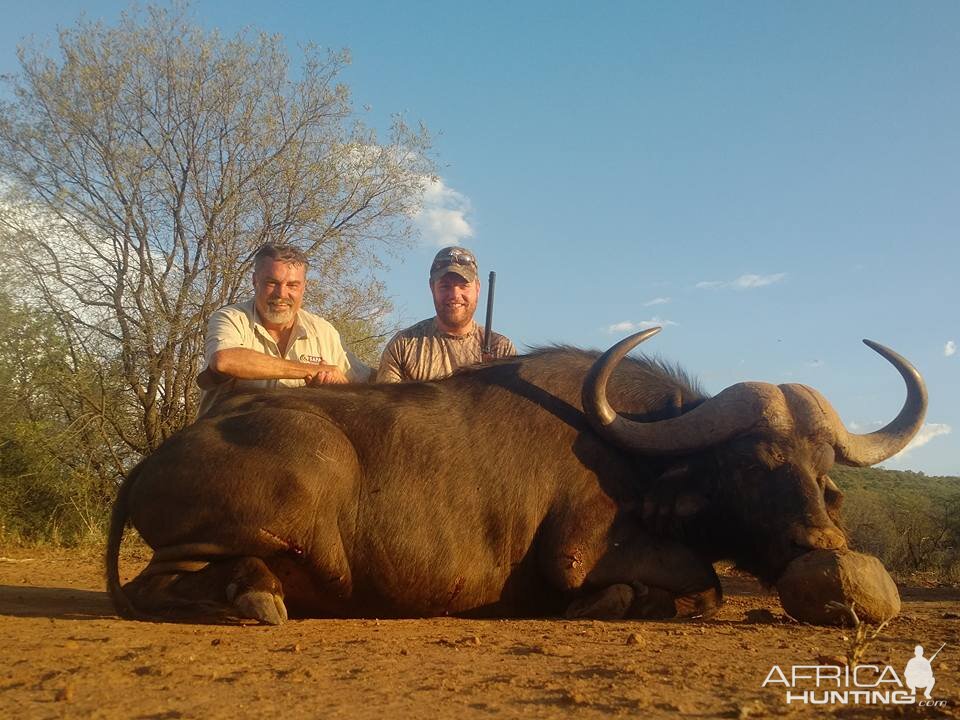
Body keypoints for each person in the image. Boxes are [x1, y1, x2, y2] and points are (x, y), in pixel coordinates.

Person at [197, 243, 369, 414]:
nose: (281, 294)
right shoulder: (231, 317)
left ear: (304, 286)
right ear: (255, 281)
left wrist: (341, 388)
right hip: (224, 436)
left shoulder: (323, 331)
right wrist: (312, 370)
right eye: (272, 282)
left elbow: (366, 383)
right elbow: (224, 361)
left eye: (292, 285)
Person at [377, 245, 516, 382]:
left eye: (464, 286)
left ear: (478, 288)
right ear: (432, 288)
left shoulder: (502, 350)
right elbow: (385, 403)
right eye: (445, 286)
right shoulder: (403, 346)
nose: (454, 295)